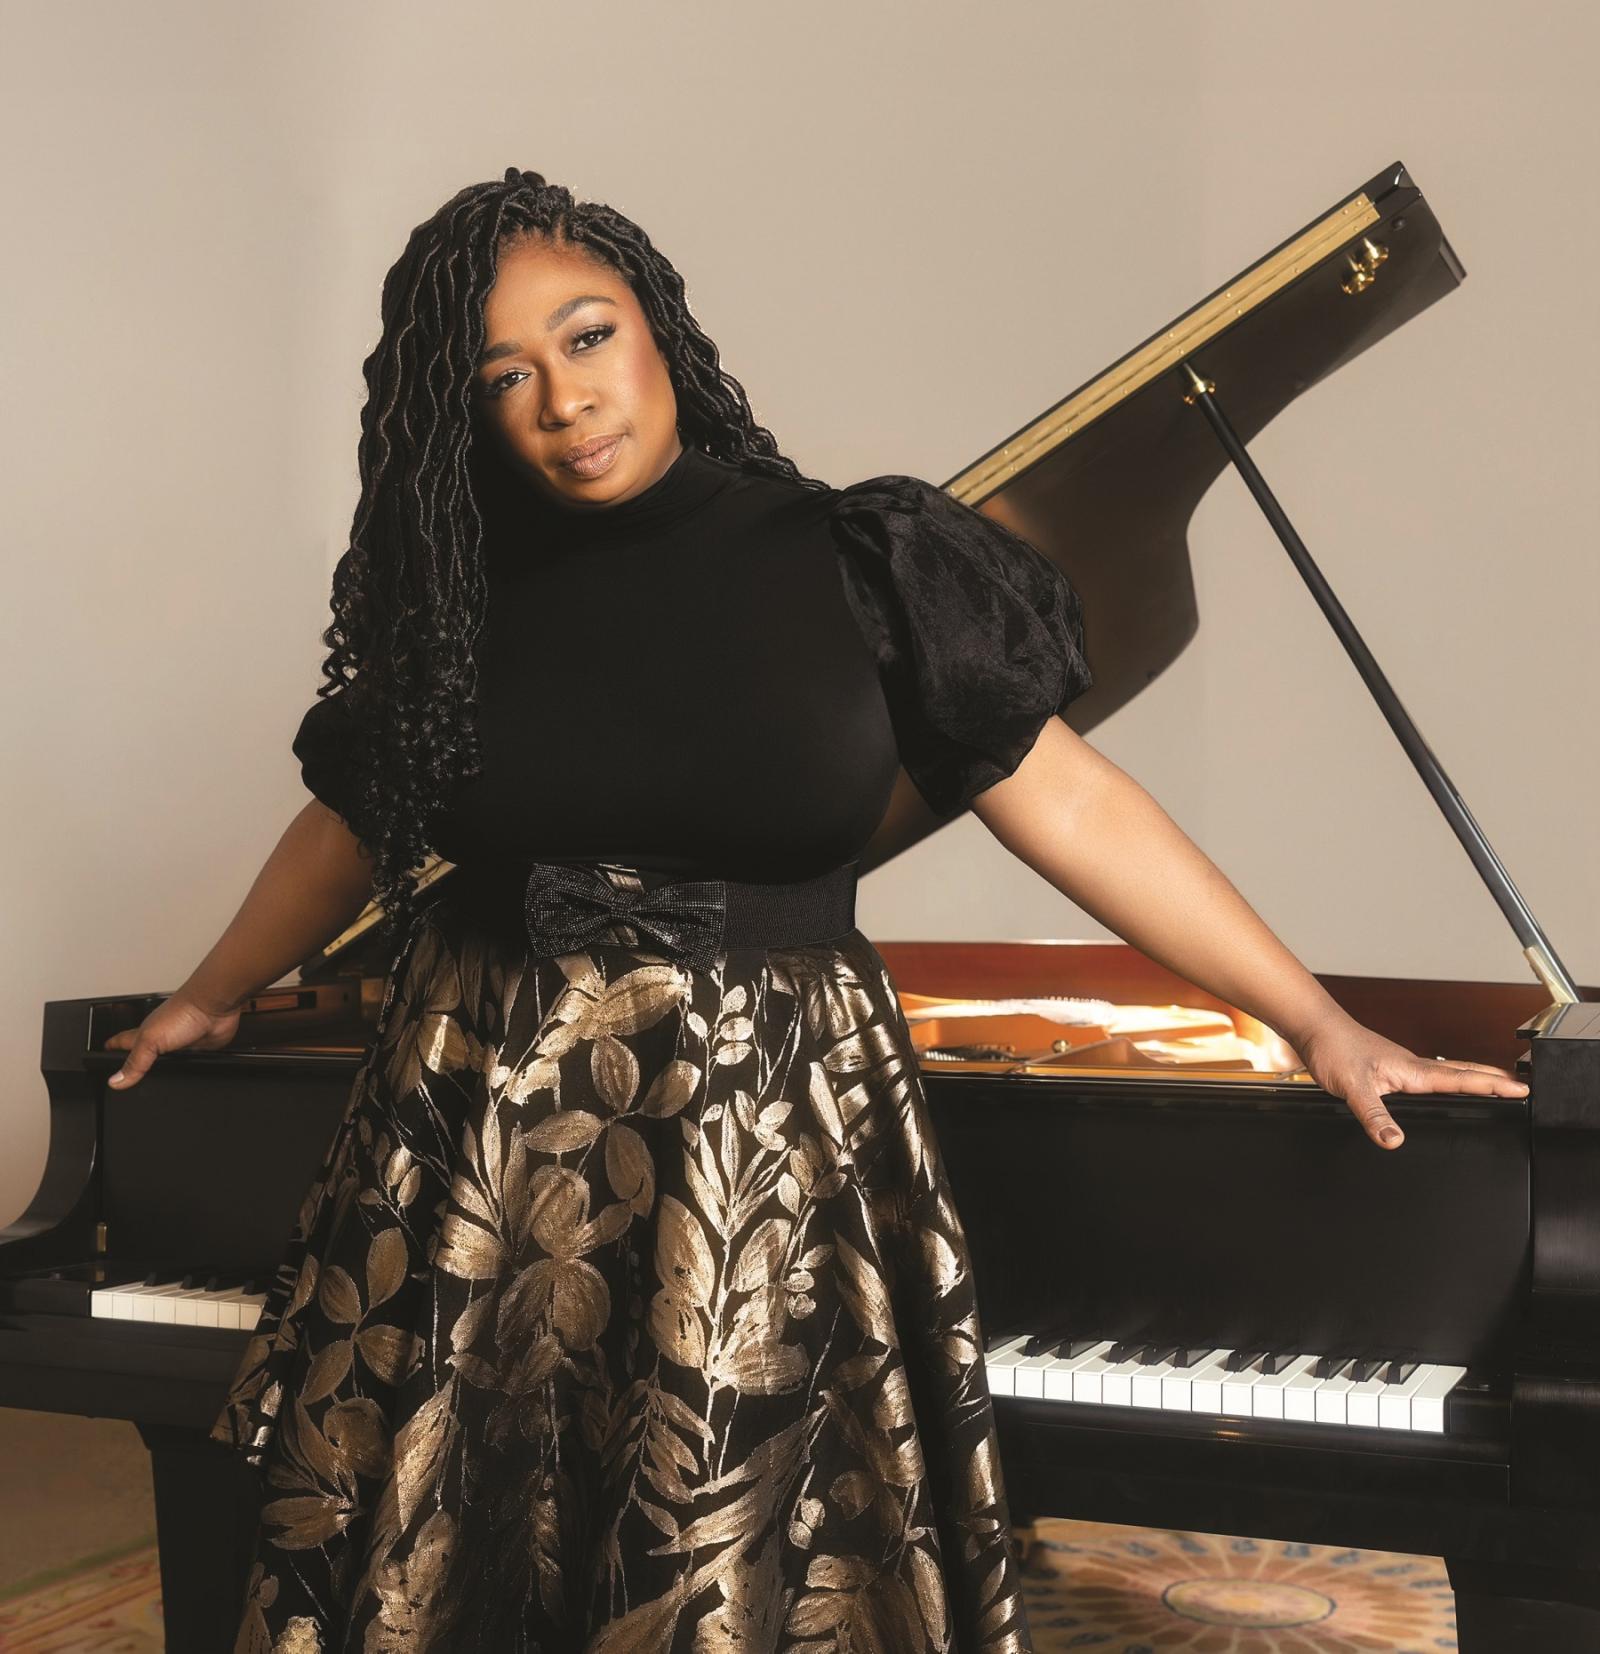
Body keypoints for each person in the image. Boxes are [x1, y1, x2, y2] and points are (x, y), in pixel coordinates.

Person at [103, 167, 1528, 1653]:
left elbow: (1083, 808)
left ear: (655, 323)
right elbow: (341, 834)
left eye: (586, 338)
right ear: (463, 408)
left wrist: (1315, 1019)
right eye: (504, 374)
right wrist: (213, 990)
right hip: (479, 1159)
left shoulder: (859, 562)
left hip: (762, 1165)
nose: (562, 399)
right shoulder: (458, 610)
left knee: (744, 1583)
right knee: (459, 1581)